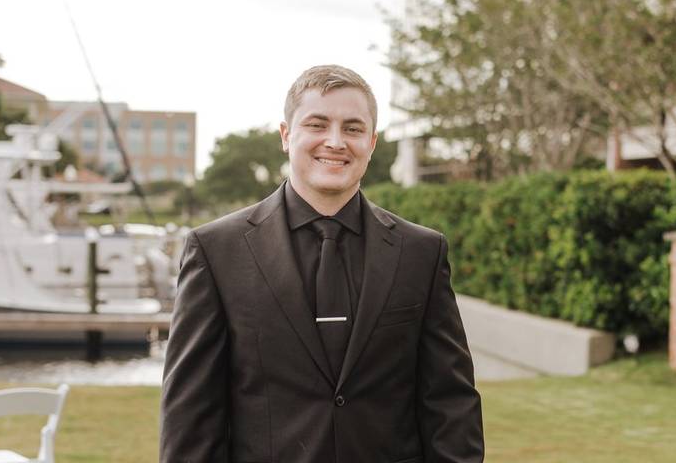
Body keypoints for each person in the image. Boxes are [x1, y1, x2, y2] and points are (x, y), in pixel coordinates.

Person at [160, 65, 484, 462]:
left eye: (352, 128)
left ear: (372, 141)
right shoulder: (215, 251)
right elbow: (191, 415)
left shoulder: (421, 252)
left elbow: (450, 403)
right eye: (317, 124)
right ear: (286, 136)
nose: (335, 141)